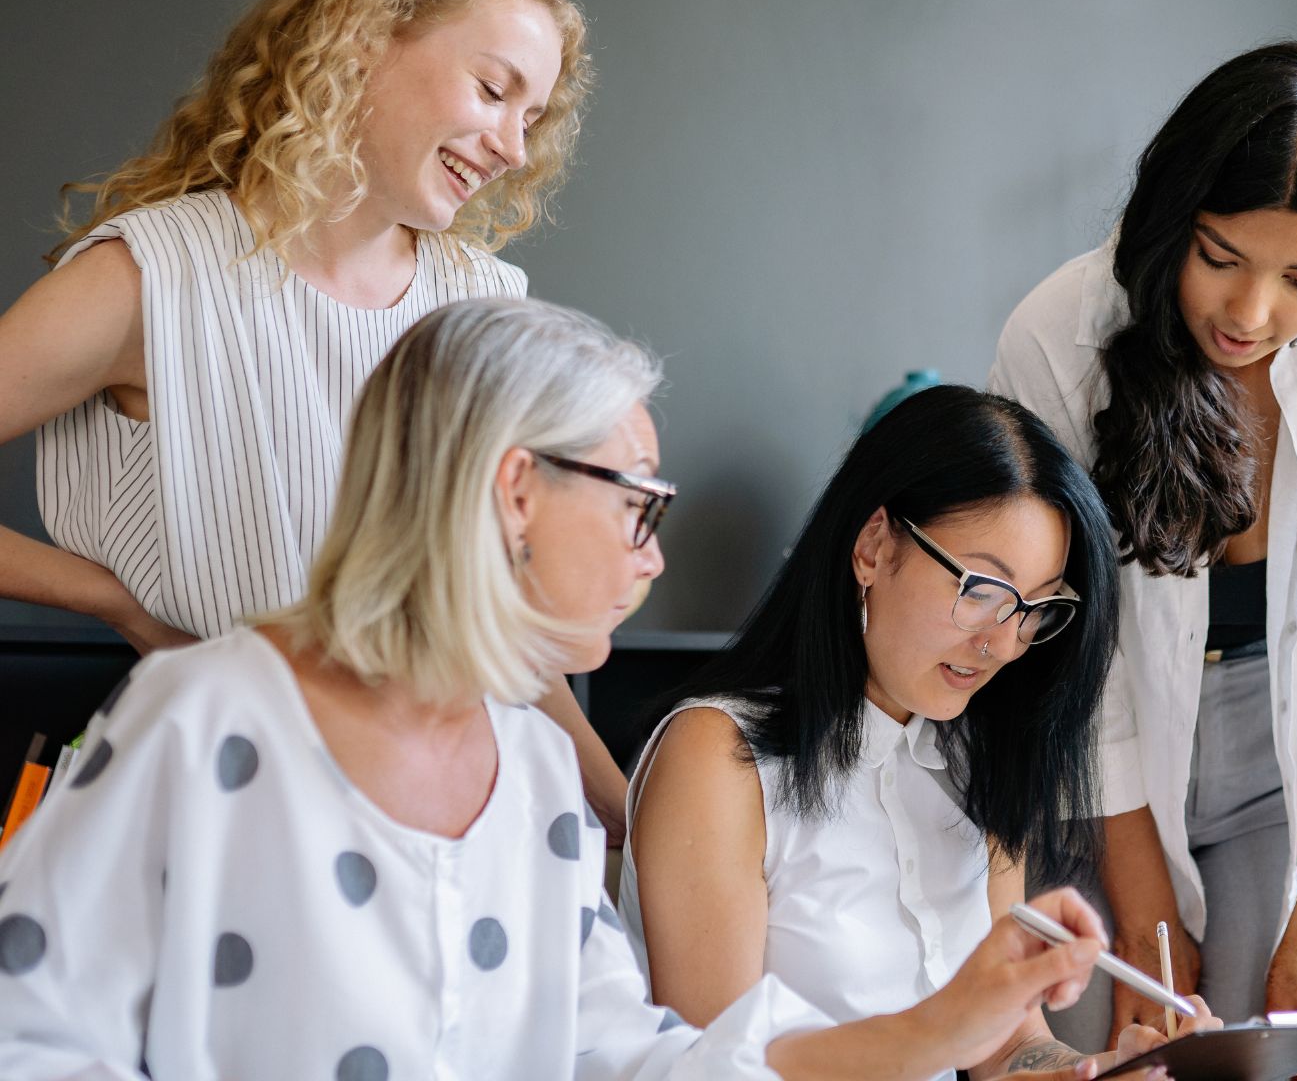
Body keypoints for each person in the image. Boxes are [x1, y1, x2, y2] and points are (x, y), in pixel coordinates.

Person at [0, 298, 1127, 1081]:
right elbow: (25, 1032)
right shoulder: (206, 717)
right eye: (640, 506)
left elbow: (644, 1060)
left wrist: (958, 1025)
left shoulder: (534, 774)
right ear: (516, 494)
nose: (654, 558)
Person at [0, 0, 635, 836]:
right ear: (364, 37)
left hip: (466, 820)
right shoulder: (150, 280)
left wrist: (626, 815)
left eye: (533, 117)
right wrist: (114, 601)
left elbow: (502, 626)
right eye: (494, 91)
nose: (512, 147)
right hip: (236, 813)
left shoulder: (485, 305)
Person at [990, 42, 1297, 1069]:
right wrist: (1147, 913)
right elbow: (1073, 650)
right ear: (1174, 219)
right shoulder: (1058, 335)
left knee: (1269, 1047)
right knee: (1110, 1053)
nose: (1252, 315)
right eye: (1220, 259)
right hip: (1088, 756)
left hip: (1286, 769)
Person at [623, 385, 1219, 1081]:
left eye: (1034, 609)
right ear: (874, 546)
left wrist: (1099, 1072)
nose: (1003, 643)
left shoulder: (981, 759)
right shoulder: (720, 757)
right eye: (981, 591)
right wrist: (942, 1032)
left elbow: (1009, 1045)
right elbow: (715, 1061)